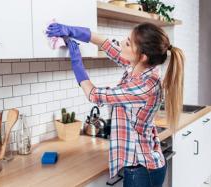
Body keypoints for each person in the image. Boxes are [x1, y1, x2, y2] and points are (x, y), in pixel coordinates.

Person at [46, 22, 184, 187]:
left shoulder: (143, 87)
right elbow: (105, 43)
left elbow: (94, 94)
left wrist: (76, 62)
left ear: (142, 56)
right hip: (144, 165)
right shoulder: (140, 68)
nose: (121, 42)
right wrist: (71, 30)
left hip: (142, 170)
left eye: (128, 42)